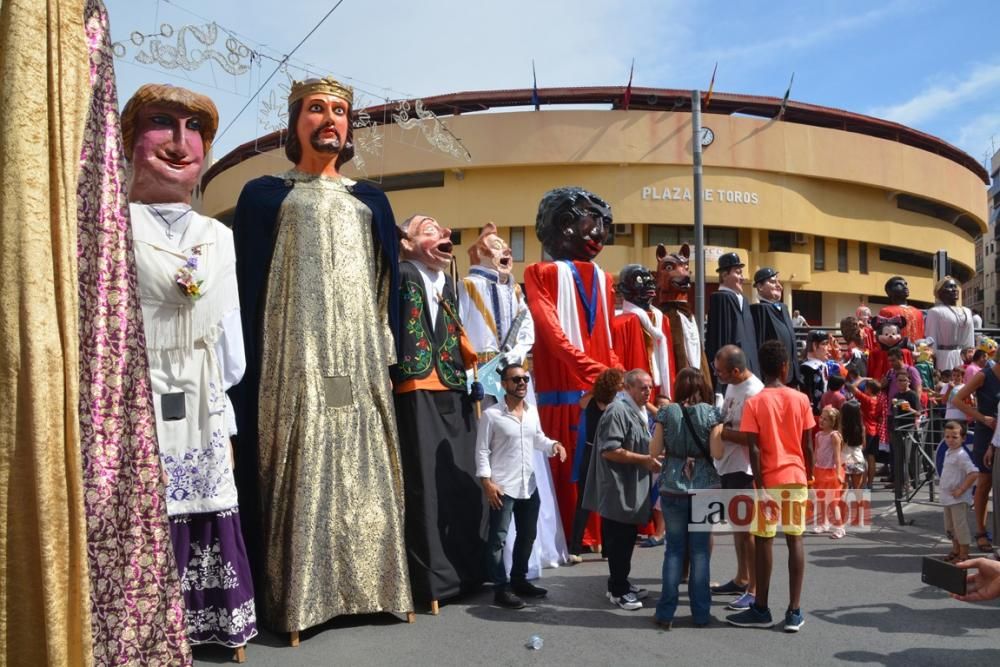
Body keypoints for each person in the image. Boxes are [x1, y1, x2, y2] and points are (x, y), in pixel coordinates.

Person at [230, 76, 412, 636]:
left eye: (339, 110)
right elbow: (245, 283)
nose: (329, 119)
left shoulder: (369, 200)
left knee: (366, 457)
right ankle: (298, 600)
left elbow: (388, 281)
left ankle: (378, 586)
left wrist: (386, 349)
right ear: (295, 124)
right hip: (293, 356)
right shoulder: (265, 194)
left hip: (359, 358)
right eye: (315, 109)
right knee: (302, 453)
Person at [122, 83, 258, 651]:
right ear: (128, 138)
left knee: (207, 495)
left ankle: (212, 624)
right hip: (133, 397)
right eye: (163, 123)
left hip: (202, 397)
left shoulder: (218, 237)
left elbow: (229, 336)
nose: (181, 142)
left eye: (195, 130)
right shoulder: (112, 228)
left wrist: (225, 419)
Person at [460, 223, 566, 574]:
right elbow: (462, 333)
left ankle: (524, 559)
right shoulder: (469, 286)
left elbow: (526, 332)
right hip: (486, 382)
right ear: (479, 253)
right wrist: (474, 375)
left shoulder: (515, 292)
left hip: (513, 373)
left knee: (525, 447)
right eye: (494, 245)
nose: (503, 250)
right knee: (491, 450)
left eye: (505, 245)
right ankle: (495, 563)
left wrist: (512, 358)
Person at [393, 214, 487, 609]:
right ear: (406, 242)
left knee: (460, 480)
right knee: (426, 485)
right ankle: (433, 582)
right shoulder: (400, 275)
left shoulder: (448, 283)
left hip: (452, 385)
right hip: (415, 386)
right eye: (429, 229)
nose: (444, 234)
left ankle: (469, 570)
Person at [525, 187, 622, 552]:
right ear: (566, 225)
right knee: (568, 470)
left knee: (600, 467)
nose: (601, 232)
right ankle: (569, 536)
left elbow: (608, 336)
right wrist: (596, 372)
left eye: (605, 224)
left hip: (600, 392)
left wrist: (615, 375)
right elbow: (549, 330)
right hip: (564, 398)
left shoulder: (604, 278)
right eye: (593, 220)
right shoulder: (541, 273)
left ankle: (594, 534)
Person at [727, 340, 814, 632]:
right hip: (796, 477)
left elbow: (754, 449)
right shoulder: (800, 399)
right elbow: (808, 445)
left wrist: (761, 485)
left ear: (761, 369)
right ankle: (794, 611)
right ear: (785, 367)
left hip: (767, 480)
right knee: (795, 540)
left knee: (764, 540)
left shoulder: (755, 402)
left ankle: (761, 607)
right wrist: (810, 477)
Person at [476, 363, 567, 609]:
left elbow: (538, 438)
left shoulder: (531, 412)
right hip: (502, 487)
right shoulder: (491, 415)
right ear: (504, 384)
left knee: (527, 536)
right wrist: (487, 482)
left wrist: (554, 445)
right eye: (516, 379)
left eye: (525, 379)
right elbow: (482, 451)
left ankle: (519, 580)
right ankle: (499, 588)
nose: (522, 383)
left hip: (528, 485)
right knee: (498, 539)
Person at [582, 369, 661, 611]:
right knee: (619, 541)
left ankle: (620, 583)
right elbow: (610, 450)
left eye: (649, 387)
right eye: (641, 387)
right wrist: (644, 459)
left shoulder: (637, 410)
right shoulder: (617, 411)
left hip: (631, 488)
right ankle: (618, 591)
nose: (647, 391)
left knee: (626, 540)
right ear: (627, 388)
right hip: (617, 490)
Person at [650, 368, 723, 628]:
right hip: (704, 487)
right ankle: (701, 614)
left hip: (672, 485)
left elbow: (654, 450)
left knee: (674, 551)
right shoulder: (711, 413)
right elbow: (717, 451)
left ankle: (665, 613)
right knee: (700, 552)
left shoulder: (666, 412)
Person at [710, 345, 763, 612]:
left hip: (745, 469)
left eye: (721, 372)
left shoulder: (755, 392)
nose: (717, 375)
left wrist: (721, 432)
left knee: (747, 530)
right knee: (737, 528)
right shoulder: (733, 386)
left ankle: (754, 588)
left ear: (736, 370)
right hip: (728, 465)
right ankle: (742, 577)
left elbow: (756, 438)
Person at [568, 368, 624, 562]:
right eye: (618, 383)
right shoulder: (608, 403)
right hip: (596, 453)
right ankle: (578, 548)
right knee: (589, 501)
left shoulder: (614, 403)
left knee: (602, 501)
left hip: (602, 453)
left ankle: (587, 549)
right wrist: (597, 388)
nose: (621, 386)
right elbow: (581, 402)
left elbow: (582, 403)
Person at [653, 243, 713, 391]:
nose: (684, 274)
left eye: (685, 268)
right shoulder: (663, 317)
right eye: (669, 268)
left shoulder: (688, 316)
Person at [954, 358, 997, 554]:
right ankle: (980, 531)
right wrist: (982, 418)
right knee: (985, 482)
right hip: (986, 433)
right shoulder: (984, 375)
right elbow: (956, 399)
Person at [613, 264, 671, 399]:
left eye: (649, 279)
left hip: (660, 392)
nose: (649, 283)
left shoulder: (663, 320)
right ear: (623, 289)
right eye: (640, 280)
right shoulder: (620, 324)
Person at [707, 253, 760, 391]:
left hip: (748, 373)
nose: (742, 277)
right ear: (724, 275)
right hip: (732, 375)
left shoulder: (744, 300)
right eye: (737, 272)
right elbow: (719, 339)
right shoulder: (721, 298)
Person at [750, 267, 801, 387]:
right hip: (772, 380)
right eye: (773, 282)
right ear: (760, 287)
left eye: (779, 282)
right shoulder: (758, 311)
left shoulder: (783, 308)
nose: (779, 286)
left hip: (790, 376)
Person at [939, 422, 978, 563]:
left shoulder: (962, 455)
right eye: (947, 436)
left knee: (960, 526)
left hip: (958, 499)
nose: (950, 440)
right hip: (947, 498)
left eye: (954, 437)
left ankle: (964, 554)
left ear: (963, 438)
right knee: (950, 527)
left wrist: (961, 489)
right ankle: (955, 550)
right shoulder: (948, 452)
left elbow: (974, 473)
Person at [812, 407, 845, 539]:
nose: (822, 420)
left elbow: (837, 456)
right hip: (819, 470)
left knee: (832, 502)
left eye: (826, 419)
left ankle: (839, 527)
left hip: (831, 471)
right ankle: (823, 523)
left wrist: (838, 473)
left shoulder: (834, 436)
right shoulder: (818, 435)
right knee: (820, 499)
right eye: (821, 418)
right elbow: (816, 452)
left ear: (833, 422)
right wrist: (812, 469)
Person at [878, 276, 924, 342]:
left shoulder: (918, 312)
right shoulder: (886, 311)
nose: (905, 287)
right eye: (899, 285)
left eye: (905, 284)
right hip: (897, 351)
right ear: (889, 291)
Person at [800, 331, 830, 417]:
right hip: (812, 416)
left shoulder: (823, 365)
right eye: (824, 344)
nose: (828, 348)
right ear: (814, 345)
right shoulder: (807, 367)